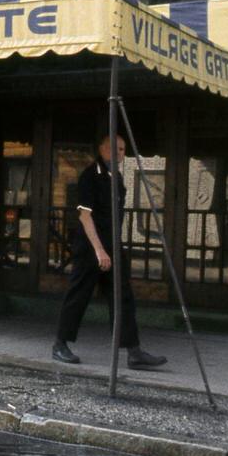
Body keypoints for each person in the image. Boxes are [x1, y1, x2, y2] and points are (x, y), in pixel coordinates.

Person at [52, 133, 167, 370]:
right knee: (79, 295)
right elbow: (85, 216)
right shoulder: (89, 176)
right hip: (90, 247)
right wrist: (98, 250)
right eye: (116, 149)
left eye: (124, 150)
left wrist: (111, 248)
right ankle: (60, 344)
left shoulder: (117, 179)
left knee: (123, 296)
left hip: (112, 245)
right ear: (103, 149)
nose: (121, 154)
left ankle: (133, 351)